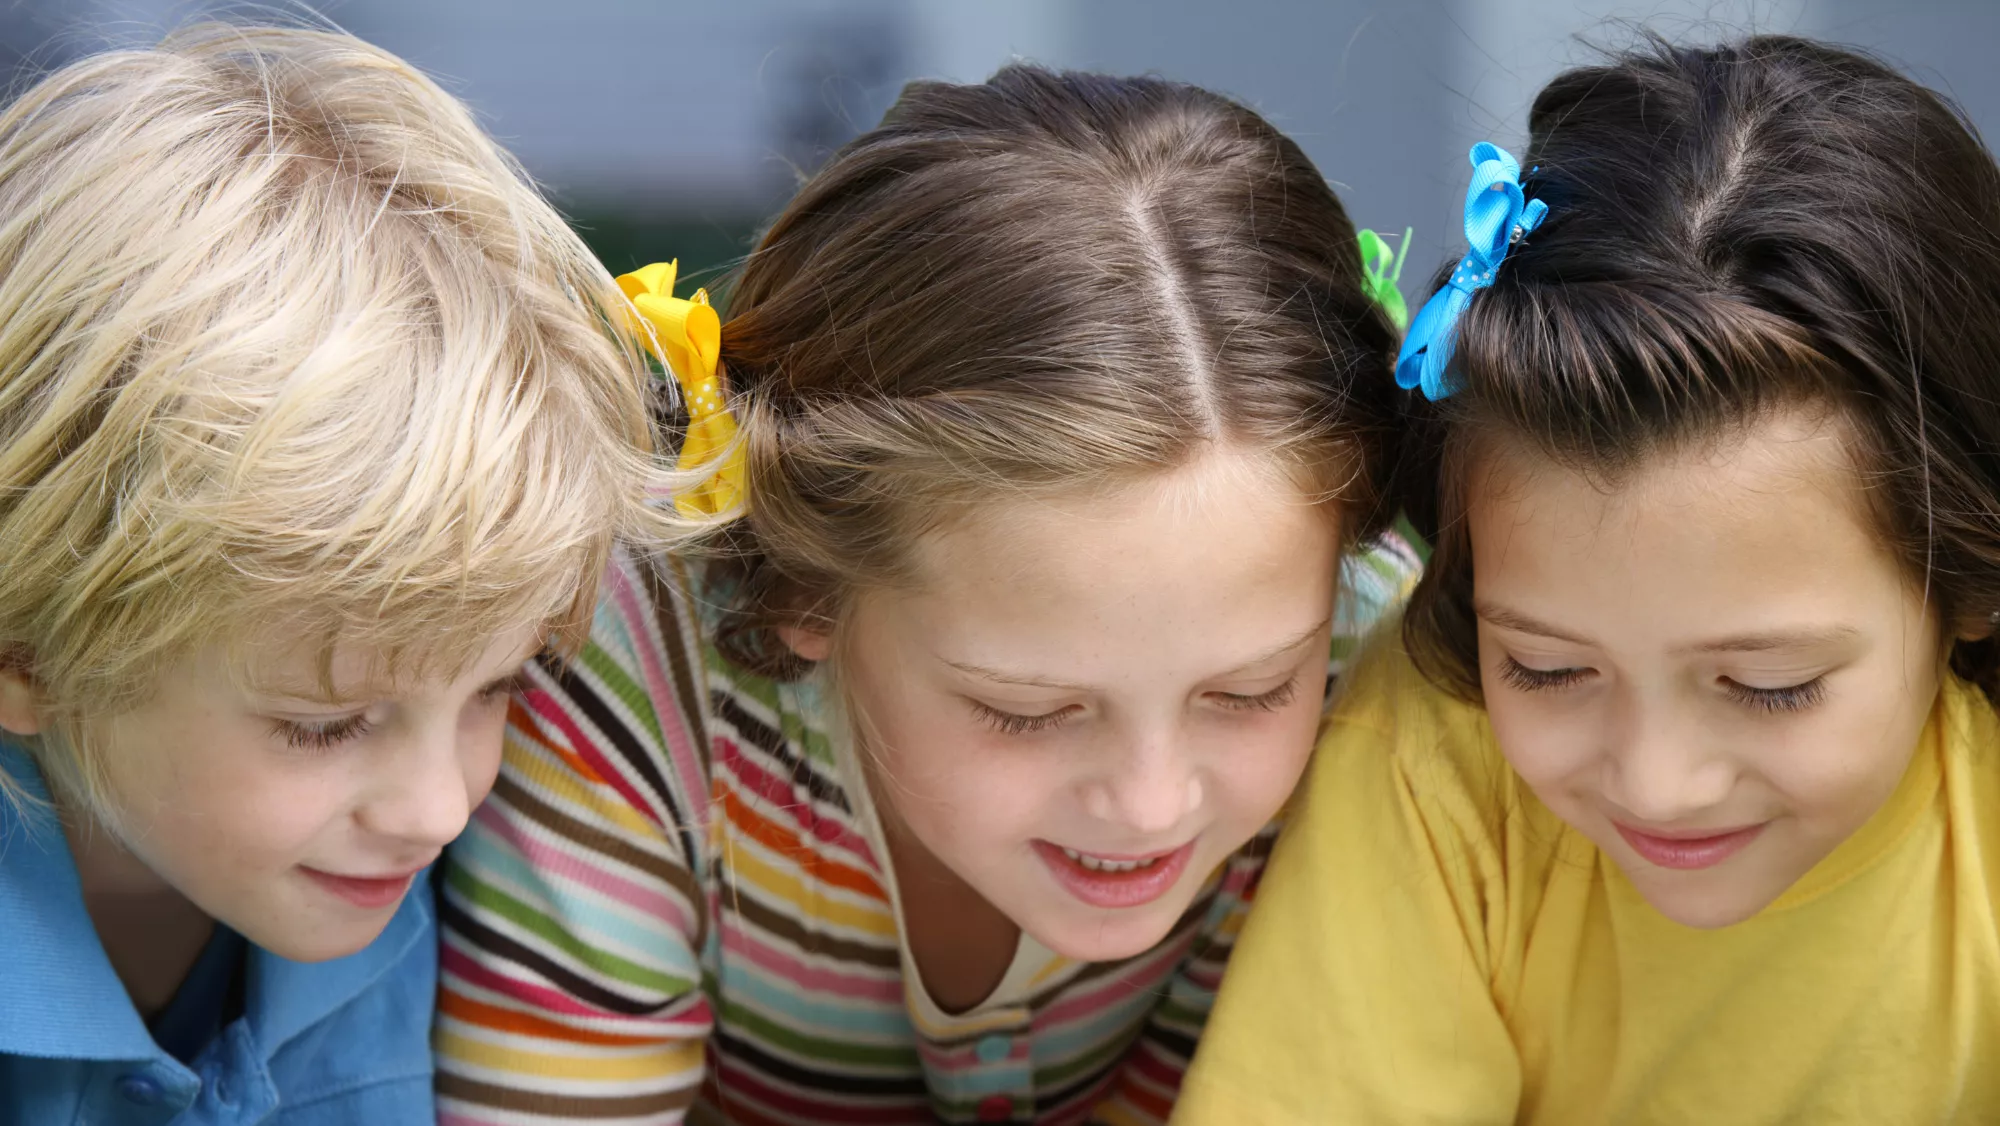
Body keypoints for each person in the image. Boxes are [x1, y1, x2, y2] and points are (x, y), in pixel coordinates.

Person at [432, 66, 1420, 1125]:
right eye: (1026, 709)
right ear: (802, 586)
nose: (1149, 802)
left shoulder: (1370, 663)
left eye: (1249, 693)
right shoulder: (631, 671)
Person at [1176, 35, 2000, 1125]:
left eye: (1768, 684)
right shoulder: (1432, 765)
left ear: (1970, 583)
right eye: (1547, 668)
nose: (1656, 783)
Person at [0, 22, 661, 1125]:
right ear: (25, 653)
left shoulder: (398, 900)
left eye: (498, 687)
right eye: (325, 723)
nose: (439, 808)